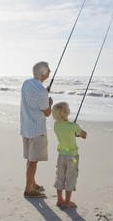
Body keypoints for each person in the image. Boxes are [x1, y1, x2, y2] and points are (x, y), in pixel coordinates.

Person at [20, 61, 53, 198]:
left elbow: (33, 99)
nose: (50, 72)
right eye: (48, 70)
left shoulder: (26, 83)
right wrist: (50, 103)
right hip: (37, 129)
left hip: (26, 126)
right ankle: (28, 190)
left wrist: (44, 94)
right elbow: (47, 112)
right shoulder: (41, 92)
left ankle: (32, 183)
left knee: (30, 158)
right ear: (43, 73)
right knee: (33, 161)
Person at [52, 101, 87, 208]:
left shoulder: (56, 125)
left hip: (61, 156)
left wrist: (73, 131)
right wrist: (77, 132)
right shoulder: (73, 126)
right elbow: (84, 135)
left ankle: (59, 199)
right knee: (71, 177)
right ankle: (67, 202)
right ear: (67, 112)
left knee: (60, 176)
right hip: (73, 157)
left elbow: (65, 132)